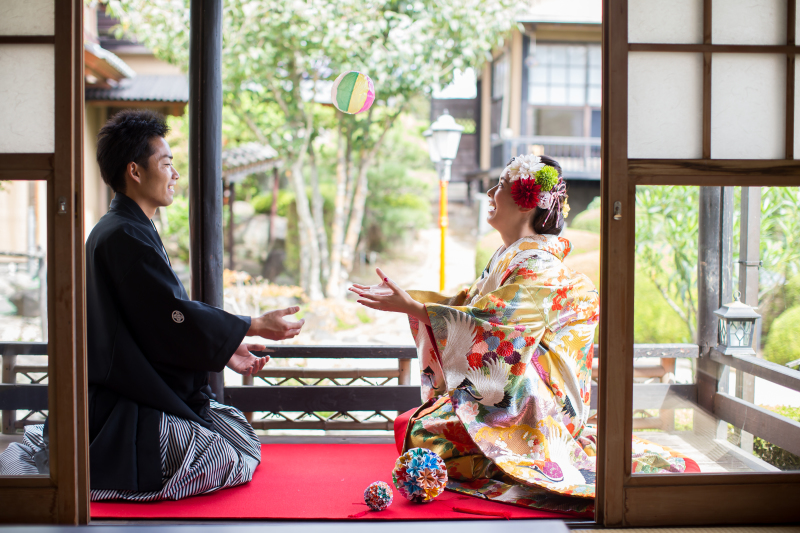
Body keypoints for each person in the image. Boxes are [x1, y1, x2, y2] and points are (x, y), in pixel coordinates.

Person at [350, 154, 689, 515]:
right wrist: (411, 301)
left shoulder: (538, 264)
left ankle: (514, 459)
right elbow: (469, 305)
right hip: (513, 389)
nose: (490, 193)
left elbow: (496, 322)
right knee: (412, 426)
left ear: (526, 202)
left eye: (500, 186)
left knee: (423, 434)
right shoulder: (510, 256)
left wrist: (415, 309)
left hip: (541, 402)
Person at [0, 109, 305, 502]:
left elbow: (155, 322)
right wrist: (253, 324)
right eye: (166, 164)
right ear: (135, 171)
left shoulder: (122, 228)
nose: (175, 174)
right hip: (119, 404)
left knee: (236, 432)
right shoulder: (123, 235)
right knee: (227, 457)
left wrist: (225, 347)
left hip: (125, 387)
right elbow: (171, 316)